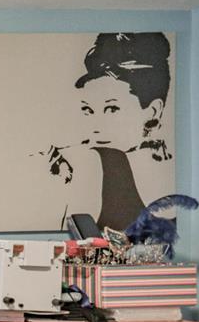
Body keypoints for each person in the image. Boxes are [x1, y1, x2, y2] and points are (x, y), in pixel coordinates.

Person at [43, 33, 173, 230]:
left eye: (112, 109)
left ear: (153, 112)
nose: (95, 127)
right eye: (88, 110)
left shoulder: (160, 180)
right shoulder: (84, 163)